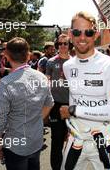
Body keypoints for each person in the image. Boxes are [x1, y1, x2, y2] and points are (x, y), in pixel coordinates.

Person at [60, 11, 110, 170]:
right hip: (76, 138)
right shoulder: (67, 66)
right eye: (77, 32)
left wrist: (74, 110)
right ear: (70, 34)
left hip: (104, 139)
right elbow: (75, 96)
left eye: (88, 32)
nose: (82, 38)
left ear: (95, 34)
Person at [0, 37, 54, 170]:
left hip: (15, 144)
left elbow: (0, 118)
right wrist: (34, 119)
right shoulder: (41, 77)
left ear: (6, 56)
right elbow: (49, 103)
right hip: (35, 140)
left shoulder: (6, 83)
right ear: (29, 54)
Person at [46, 33, 70, 170]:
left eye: (65, 43)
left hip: (72, 105)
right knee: (57, 140)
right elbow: (46, 81)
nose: (62, 46)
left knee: (73, 139)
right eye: (60, 43)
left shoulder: (75, 62)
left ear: (69, 45)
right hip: (56, 105)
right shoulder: (51, 62)